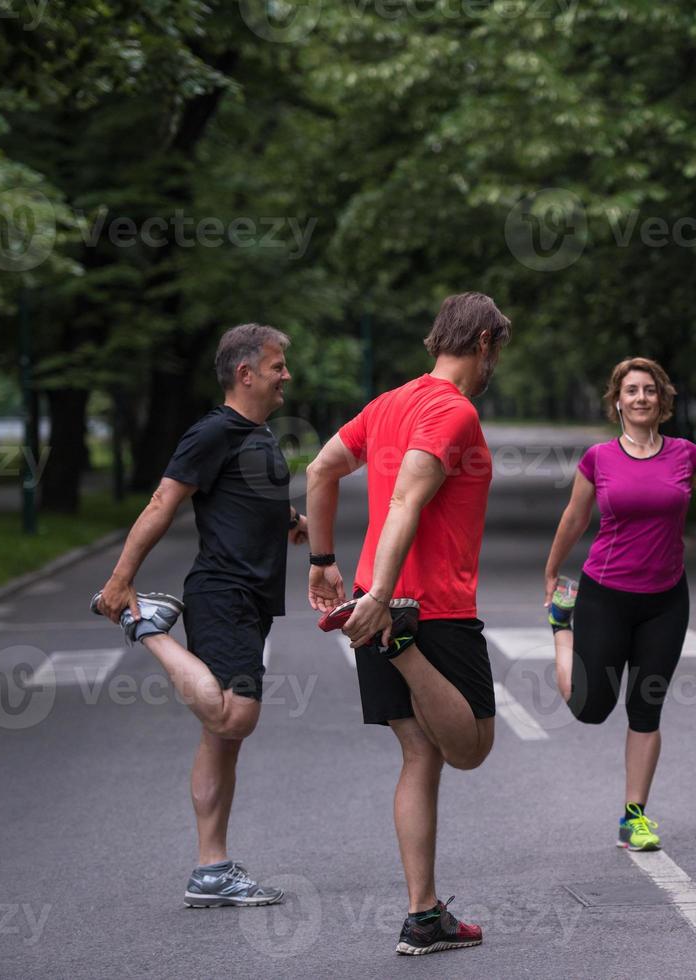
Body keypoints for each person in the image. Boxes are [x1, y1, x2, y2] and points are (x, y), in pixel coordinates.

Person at [304, 291, 509, 956]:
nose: (493, 364)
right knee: (471, 749)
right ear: (482, 342)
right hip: (428, 610)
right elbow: (405, 500)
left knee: (419, 756)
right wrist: (386, 601)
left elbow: (320, 468)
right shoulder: (451, 409)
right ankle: (402, 645)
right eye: (495, 351)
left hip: (372, 600)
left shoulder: (389, 403)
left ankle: (424, 916)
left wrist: (323, 561)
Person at [92, 323, 307, 908]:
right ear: (245, 373)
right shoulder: (212, 431)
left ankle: (210, 871)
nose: (285, 374)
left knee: (221, 737)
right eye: (276, 365)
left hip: (254, 598)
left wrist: (290, 522)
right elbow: (164, 501)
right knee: (235, 718)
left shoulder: (255, 434)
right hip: (224, 593)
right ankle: (148, 629)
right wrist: (121, 580)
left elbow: (245, 493)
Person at [542, 357, 696, 851]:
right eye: (631, 390)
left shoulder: (685, 457)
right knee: (591, 708)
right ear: (617, 401)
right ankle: (560, 630)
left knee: (645, 708)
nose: (641, 398)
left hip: (666, 601)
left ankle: (635, 816)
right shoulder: (598, 460)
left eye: (649, 390)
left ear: (662, 399)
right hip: (605, 597)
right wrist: (551, 571)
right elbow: (573, 518)